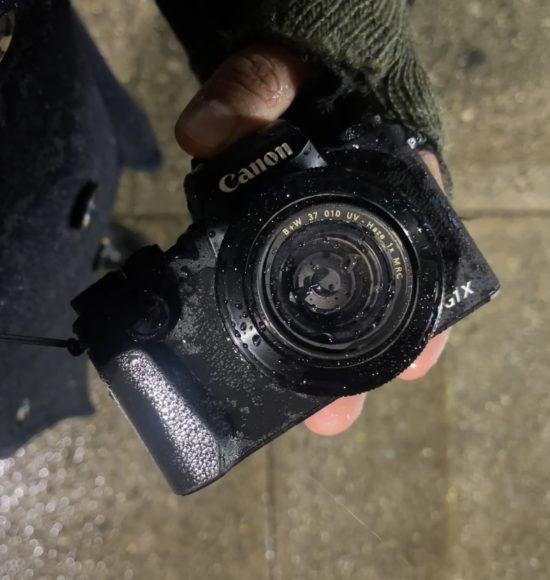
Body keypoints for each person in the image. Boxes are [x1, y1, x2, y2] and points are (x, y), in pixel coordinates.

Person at [0, 0, 449, 455]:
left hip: (31, 67)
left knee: (70, 156)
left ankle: (85, 235)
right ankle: (86, 242)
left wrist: (339, 75)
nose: (325, 273)